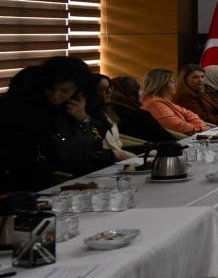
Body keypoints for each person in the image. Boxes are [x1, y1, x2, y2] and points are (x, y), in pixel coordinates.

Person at [0, 57, 125, 192]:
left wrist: (83, 118)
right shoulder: (27, 103)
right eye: (50, 89)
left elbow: (92, 147)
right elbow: (61, 153)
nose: (55, 95)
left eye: (64, 91)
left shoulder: (85, 104)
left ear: (78, 91)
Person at [140, 68, 209, 135]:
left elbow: (190, 114)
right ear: (162, 85)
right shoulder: (155, 105)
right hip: (181, 140)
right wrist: (201, 128)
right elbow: (179, 126)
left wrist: (201, 126)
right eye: (172, 81)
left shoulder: (162, 100)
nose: (176, 84)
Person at [108, 76, 175, 143]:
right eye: (139, 89)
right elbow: (166, 138)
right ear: (132, 93)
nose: (143, 92)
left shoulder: (108, 112)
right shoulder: (139, 114)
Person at [93, 74, 135, 158]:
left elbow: (117, 143)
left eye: (109, 88)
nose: (109, 92)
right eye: (102, 89)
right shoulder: (89, 117)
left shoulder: (108, 113)